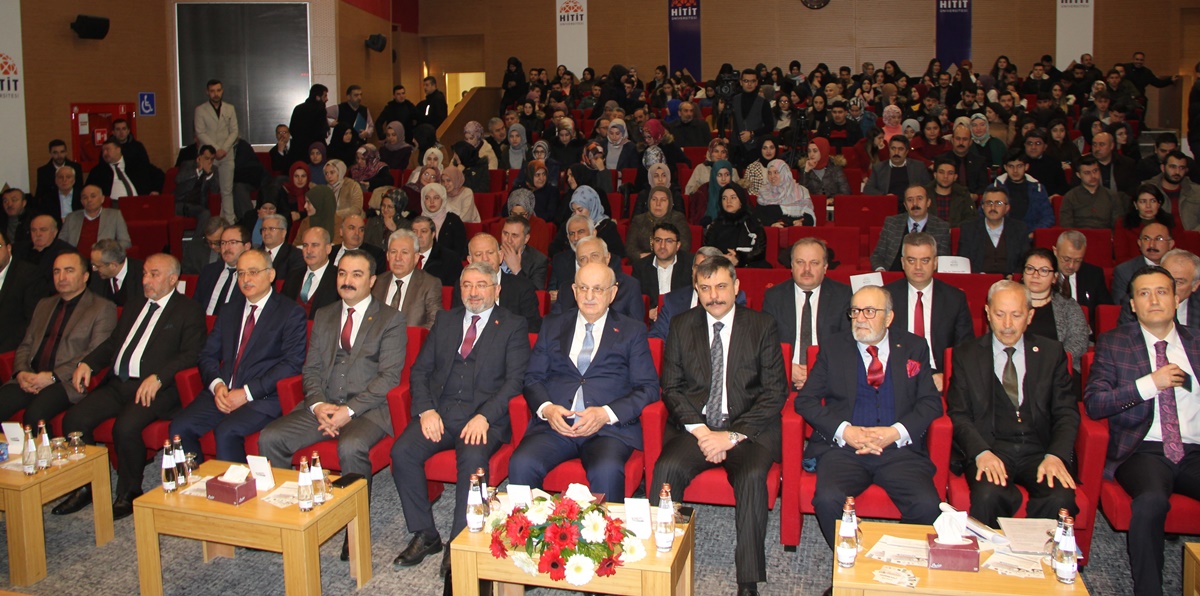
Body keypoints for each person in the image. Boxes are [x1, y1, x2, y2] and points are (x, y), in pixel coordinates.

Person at [259, 249, 406, 559]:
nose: (347, 281)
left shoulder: (391, 319)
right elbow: (310, 370)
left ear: (372, 280)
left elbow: (389, 379)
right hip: (323, 405)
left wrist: (347, 411)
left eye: (356, 275)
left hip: (367, 409)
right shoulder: (324, 315)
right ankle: (290, 522)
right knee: (271, 438)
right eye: (342, 273)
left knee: (350, 447)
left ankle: (354, 529)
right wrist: (317, 406)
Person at [653, 255, 785, 596]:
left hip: (746, 431)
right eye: (706, 288)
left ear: (737, 287)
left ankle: (748, 581)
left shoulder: (762, 325)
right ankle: (658, 561)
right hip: (697, 427)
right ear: (697, 290)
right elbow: (672, 388)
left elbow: (774, 393)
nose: (714, 295)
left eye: (722, 286)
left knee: (753, 476)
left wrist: (730, 436)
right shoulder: (682, 324)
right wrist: (703, 433)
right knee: (666, 467)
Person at [389, 261, 529, 576]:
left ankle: (458, 541)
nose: (473, 291)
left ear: (497, 289)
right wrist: (426, 409)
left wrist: (485, 417)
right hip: (440, 412)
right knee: (401, 452)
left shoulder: (513, 324)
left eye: (481, 284)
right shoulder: (446, 320)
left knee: (473, 462)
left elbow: (515, 382)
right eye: (467, 285)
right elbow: (420, 371)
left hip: (483, 418)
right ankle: (425, 534)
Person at [54, 254, 206, 520]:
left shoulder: (189, 310)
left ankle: (129, 492)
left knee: (125, 427)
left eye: (154, 274)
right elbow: (113, 344)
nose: (146, 279)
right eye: (145, 273)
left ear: (172, 279)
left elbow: (192, 353)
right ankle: (86, 486)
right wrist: (88, 363)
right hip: (118, 383)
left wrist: (159, 376)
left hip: (156, 388)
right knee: (74, 420)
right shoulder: (135, 304)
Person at [798, 284, 944, 548]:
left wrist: (895, 432)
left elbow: (931, 403)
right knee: (827, 499)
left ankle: (896, 562)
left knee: (927, 505)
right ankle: (851, 566)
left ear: (888, 317)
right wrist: (845, 431)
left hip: (899, 450)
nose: (860, 318)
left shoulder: (913, 347)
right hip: (844, 450)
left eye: (869, 311)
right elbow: (805, 400)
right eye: (855, 311)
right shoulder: (834, 347)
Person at [1085, 264, 1200, 596]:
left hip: (1194, 450)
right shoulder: (1115, 343)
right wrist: (1150, 384)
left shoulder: (1196, 344)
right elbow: (1095, 403)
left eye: (1162, 292)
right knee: (1150, 502)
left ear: (1177, 298)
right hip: (1144, 451)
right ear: (1132, 304)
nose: (1154, 300)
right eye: (1144, 294)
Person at [510, 259, 658, 502]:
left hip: (607, 431)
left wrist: (605, 413)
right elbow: (533, 378)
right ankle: (527, 536)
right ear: (574, 291)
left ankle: (607, 538)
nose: (589, 296)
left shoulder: (632, 331)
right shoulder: (553, 325)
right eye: (583, 288)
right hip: (556, 426)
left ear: (612, 294)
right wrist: (548, 410)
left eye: (598, 289)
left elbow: (648, 388)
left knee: (606, 470)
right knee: (521, 462)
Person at [947, 280, 1079, 527]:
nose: (1007, 325)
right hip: (991, 446)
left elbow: (1067, 412)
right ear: (987, 313)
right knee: (988, 495)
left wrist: (1056, 455)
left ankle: (1039, 562)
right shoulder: (966, 354)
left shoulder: (1051, 353)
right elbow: (959, 414)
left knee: (1059, 497)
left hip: (1041, 448)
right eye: (999, 314)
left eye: (1016, 315)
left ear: (1029, 316)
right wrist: (981, 453)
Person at [169, 248, 306, 463]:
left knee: (226, 431)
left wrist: (246, 393)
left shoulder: (290, 312)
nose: (246, 279)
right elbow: (207, 355)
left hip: (262, 397)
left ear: (271, 275)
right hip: (223, 392)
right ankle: (193, 485)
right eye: (241, 273)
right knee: (179, 427)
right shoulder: (229, 310)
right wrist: (217, 386)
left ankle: (235, 492)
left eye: (253, 272)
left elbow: (292, 364)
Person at [0, 251, 116, 426]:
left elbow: (95, 353)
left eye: (69, 270)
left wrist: (53, 377)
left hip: (66, 381)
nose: (61, 277)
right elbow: (26, 344)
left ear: (85, 276)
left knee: (35, 415)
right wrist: (21, 372)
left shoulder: (102, 308)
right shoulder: (44, 305)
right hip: (31, 376)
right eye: (56, 271)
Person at [884, 233, 974, 391]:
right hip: (895, 376)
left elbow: (965, 349)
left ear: (935, 262)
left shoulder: (955, 299)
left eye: (925, 260)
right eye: (911, 260)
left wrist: (947, 375)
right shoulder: (885, 296)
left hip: (938, 375)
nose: (918, 267)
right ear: (903, 263)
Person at [762, 237, 853, 390]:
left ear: (825, 267)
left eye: (814, 263)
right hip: (783, 377)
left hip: (829, 378)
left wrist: (817, 372)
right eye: (800, 262)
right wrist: (786, 368)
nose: (806, 269)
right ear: (791, 266)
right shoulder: (774, 296)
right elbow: (765, 343)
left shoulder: (843, 296)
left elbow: (847, 344)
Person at [453, 233, 541, 332]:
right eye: (478, 254)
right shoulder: (463, 285)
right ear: (470, 260)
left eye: (490, 253)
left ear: (500, 256)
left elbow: (532, 327)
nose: (485, 259)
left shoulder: (522, 286)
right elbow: (456, 322)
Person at [1020, 248, 1090, 373]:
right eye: (1030, 269)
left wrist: (1051, 363)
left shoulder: (1068, 306)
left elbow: (1078, 343)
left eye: (1044, 271)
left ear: (1055, 277)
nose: (1035, 275)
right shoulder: (1009, 303)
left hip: (1058, 370)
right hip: (1018, 367)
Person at [551, 236, 644, 322]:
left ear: (607, 258)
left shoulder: (629, 286)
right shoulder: (566, 289)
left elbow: (635, 328)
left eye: (594, 256)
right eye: (583, 259)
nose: (589, 262)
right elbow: (555, 326)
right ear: (578, 264)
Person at [371, 229, 443, 329]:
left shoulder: (429, 284)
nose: (398, 258)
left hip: (411, 342)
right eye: (393, 252)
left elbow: (435, 322)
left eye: (404, 252)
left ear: (416, 257)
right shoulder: (377, 283)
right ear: (387, 256)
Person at [870, 185, 950, 272]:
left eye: (919, 198)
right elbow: (877, 255)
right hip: (893, 277)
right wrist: (881, 271)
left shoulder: (941, 227)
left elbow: (942, 262)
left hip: (924, 279)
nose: (915, 203)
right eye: (910, 200)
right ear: (905, 205)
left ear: (928, 202)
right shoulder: (892, 223)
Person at [1117, 249, 1200, 329]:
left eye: (1178, 282)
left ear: (1195, 285)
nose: (1169, 286)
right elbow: (1127, 339)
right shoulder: (1138, 302)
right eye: (1165, 278)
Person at [194, 80, 239, 223]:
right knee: (210, 190)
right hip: (208, 155)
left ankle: (230, 221)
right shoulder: (200, 110)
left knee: (227, 190)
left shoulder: (229, 108)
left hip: (226, 154)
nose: (216, 94)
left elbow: (234, 131)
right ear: (208, 92)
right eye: (212, 91)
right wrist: (215, 150)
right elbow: (200, 133)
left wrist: (223, 149)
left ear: (222, 91)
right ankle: (213, 222)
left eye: (218, 90)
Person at [957, 186, 1031, 276]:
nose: (993, 207)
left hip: (1010, 283)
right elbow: (963, 261)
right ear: (983, 206)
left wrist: (1014, 276)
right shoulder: (969, 229)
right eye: (989, 203)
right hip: (979, 280)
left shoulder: (1019, 229)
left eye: (998, 203)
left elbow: (1025, 261)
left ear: (1007, 208)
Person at [631, 221, 695, 314]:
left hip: (682, 319)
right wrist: (647, 313)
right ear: (652, 242)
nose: (662, 246)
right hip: (652, 322)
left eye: (669, 241)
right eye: (658, 240)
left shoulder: (690, 265)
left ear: (678, 245)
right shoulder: (640, 267)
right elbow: (635, 300)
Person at [281, 227, 341, 319]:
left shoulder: (339, 278)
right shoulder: (293, 275)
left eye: (315, 245)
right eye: (305, 245)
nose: (308, 251)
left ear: (328, 249)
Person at [704, 184, 767, 268]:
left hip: (748, 266)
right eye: (724, 198)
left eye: (733, 197)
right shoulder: (715, 224)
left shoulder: (753, 223)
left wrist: (739, 258)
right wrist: (723, 259)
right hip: (720, 267)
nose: (728, 201)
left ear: (741, 201)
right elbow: (708, 250)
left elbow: (760, 251)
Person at [1113, 222, 1175, 305]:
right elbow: (1121, 307)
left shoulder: (1180, 270)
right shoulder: (1124, 271)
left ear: (1170, 244)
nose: (1152, 245)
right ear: (1139, 243)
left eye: (1158, 239)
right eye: (1146, 239)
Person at [195, 225, 251, 316]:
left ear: (247, 246)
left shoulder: (252, 276)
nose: (226, 248)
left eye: (232, 242)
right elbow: (196, 305)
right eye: (223, 243)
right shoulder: (209, 271)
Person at [58, 185, 131, 253]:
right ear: (81, 202)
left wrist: (109, 251)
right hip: (76, 260)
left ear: (102, 199)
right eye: (85, 197)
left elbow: (125, 242)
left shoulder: (115, 215)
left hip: (104, 260)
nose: (89, 200)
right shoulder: (71, 217)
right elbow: (60, 242)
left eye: (93, 196)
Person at [1054, 230, 1113, 315]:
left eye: (1078, 261)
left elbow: (1107, 310)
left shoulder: (1093, 274)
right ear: (1055, 251)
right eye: (1066, 259)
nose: (1071, 265)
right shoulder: (1045, 273)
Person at [993, 150, 1054, 230]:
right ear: (1005, 167)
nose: (1015, 171)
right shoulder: (994, 188)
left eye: (1019, 166)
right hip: (1000, 235)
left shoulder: (1038, 189)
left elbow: (1048, 217)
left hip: (1029, 236)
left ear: (1026, 166)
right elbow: (983, 214)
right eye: (1011, 166)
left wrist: (1033, 234)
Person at [84, 138, 158, 200]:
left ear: (118, 150)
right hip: (114, 208)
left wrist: (155, 190)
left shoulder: (135, 164)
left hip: (139, 202)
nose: (105, 153)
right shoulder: (98, 172)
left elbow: (157, 175)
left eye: (108, 149)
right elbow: (87, 191)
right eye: (103, 151)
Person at [1060, 156, 1119, 229]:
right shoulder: (1070, 197)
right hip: (1079, 237)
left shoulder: (1112, 196)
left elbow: (1117, 225)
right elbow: (1066, 225)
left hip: (1104, 236)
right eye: (1087, 173)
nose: (1093, 176)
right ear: (1079, 175)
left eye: (1095, 171)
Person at [864, 135, 931, 196]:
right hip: (889, 204)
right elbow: (868, 189)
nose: (896, 152)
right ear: (889, 150)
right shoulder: (879, 168)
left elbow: (928, 188)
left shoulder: (918, 167)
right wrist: (884, 196)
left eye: (900, 149)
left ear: (907, 152)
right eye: (893, 148)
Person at [1148, 151, 1200, 230]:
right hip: (1158, 239)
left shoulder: (1197, 192)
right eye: (1173, 167)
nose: (1177, 172)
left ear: (1186, 170)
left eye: (1182, 168)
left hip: (1192, 238)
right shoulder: (1148, 190)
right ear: (1163, 168)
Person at [755, 160, 815, 228]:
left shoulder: (801, 191)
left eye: (776, 172)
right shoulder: (764, 192)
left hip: (795, 233)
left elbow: (809, 217)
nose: (772, 176)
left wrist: (802, 223)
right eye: (769, 173)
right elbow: (758, 217)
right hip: (773, 234)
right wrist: (771, 224)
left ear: (784, 173)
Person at [419, 183, 468, 262]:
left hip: (448, 264)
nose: (431, 202)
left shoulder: (454, 220)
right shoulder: (418, 222)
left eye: (436, 198)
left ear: (443, 199)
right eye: (427, 198)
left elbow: (460, 250)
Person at [499, 214, 549, 291]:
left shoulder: (538, 261)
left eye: (514, 235)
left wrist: (517, 270)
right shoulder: (491, 252)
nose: (508, 240)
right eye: (505, 234)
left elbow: (536, 295)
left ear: (526, 238)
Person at [34, 140, 84, 215]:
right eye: (55, 152)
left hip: (74, 207)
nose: (59, 155)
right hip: (53, 209)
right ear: (50, 153)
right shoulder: (43, 171)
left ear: (66, 152)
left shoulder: (76, 167)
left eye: (62, 152)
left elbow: (80, 188)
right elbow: (40, 193)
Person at [89, 240, 142, 307]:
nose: (94, 269)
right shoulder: (97, 276)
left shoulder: (142, 276)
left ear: (113, 265)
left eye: (97, 266)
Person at [413, 215, 462, 287]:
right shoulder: (405, 256)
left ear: (433, 234)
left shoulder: (450, 259)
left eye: (423, 231)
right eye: (415, 232)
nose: (418, 235)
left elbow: (452, 290)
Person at [289, 84, 331, 157]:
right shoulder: (320, 110)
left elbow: (292, 130)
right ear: (318, 97)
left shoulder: (298, 108)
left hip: (298, 150)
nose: (327, 99)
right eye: (325, 96)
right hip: (315, 151)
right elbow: (321, 133)